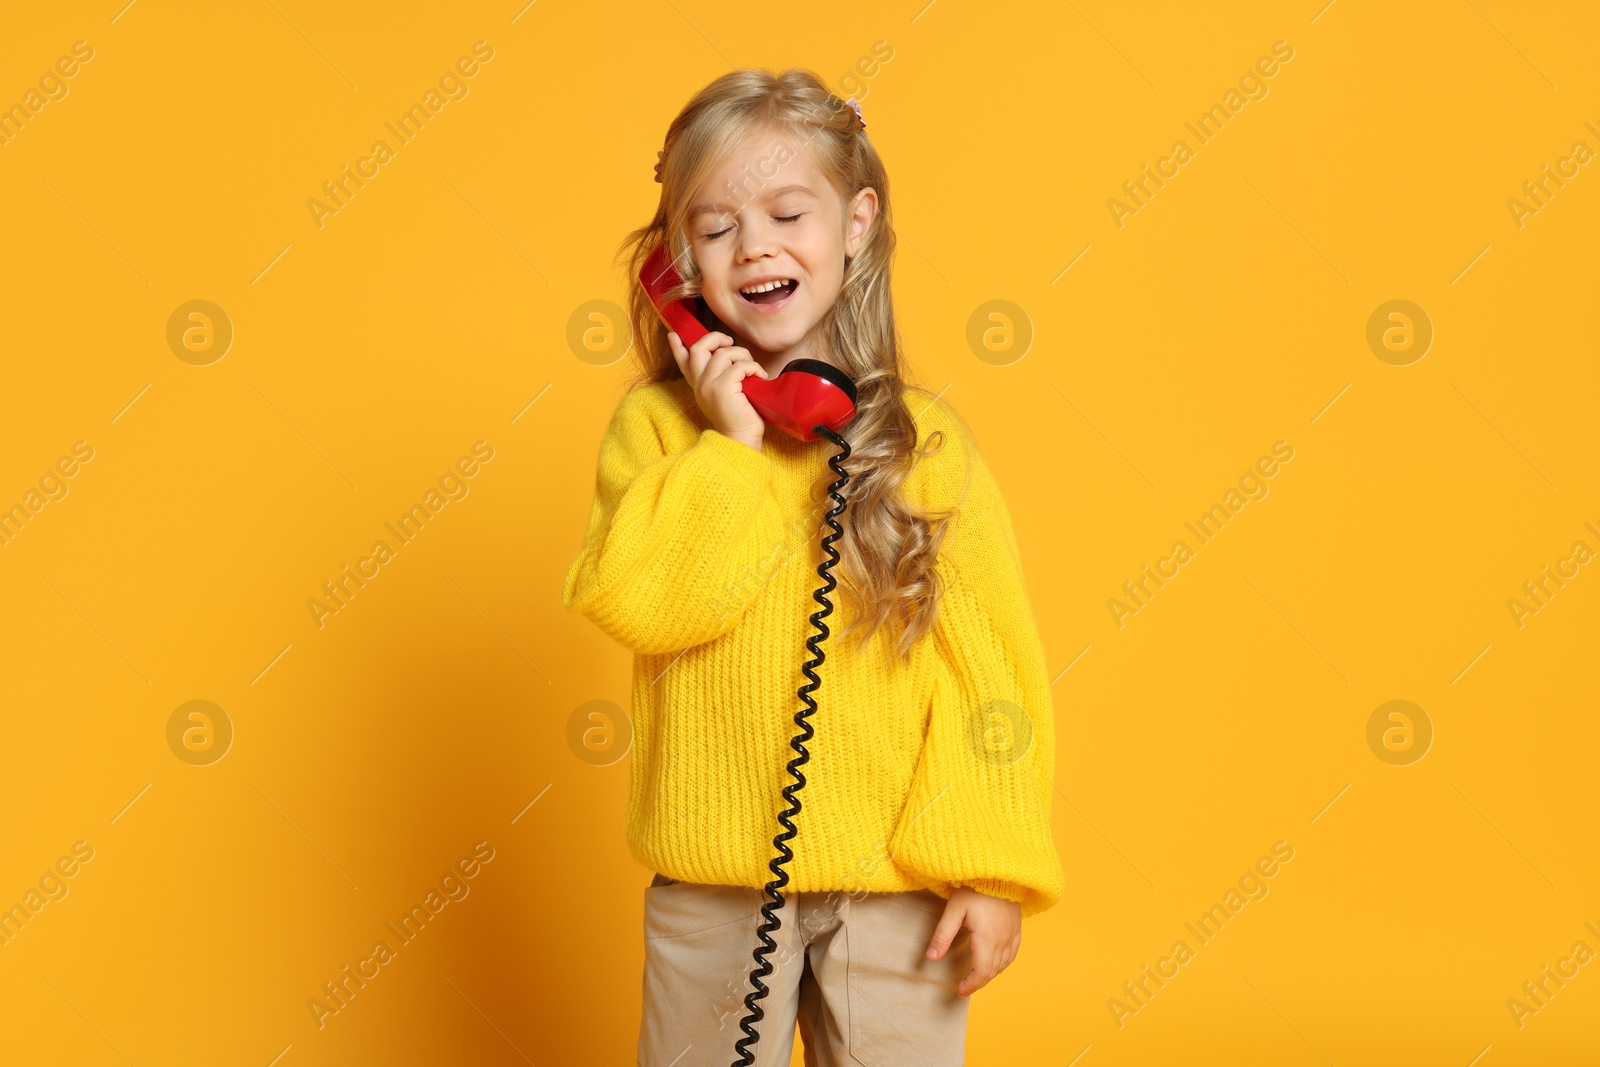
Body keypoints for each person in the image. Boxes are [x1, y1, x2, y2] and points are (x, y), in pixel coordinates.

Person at [562, 67, 1063, 1067]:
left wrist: (989, 865)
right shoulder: (660, 434)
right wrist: (731, 450)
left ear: (855, 224)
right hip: (711, 887)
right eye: (714, 229)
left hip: (898, 888)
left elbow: (989, 672)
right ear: (678, 272)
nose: (753, 247)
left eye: (788, 212)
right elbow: (643, 600)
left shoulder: (925, 445)